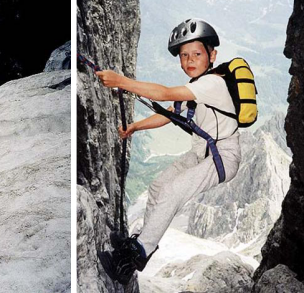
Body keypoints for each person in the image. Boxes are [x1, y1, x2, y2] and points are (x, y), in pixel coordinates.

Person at [95, 18, 242, 284]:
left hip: (223, 157)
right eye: (184, 55)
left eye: (196, 54)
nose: (189, 61)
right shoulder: (197, 87)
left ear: (212, 55)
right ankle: (139, 243)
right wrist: (135, 127)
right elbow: (169, 115)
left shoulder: (211, 85)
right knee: (158, 186)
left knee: (173, 192)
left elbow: (163, 93)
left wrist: (123, 82)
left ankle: (132, 259)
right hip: (204, 153)